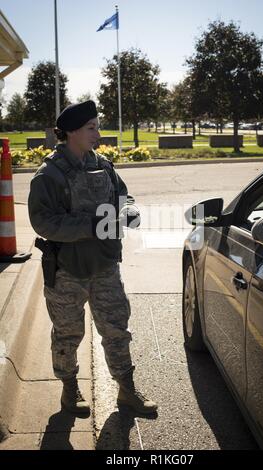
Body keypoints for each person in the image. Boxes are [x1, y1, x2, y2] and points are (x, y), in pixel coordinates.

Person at [28, 100, 157, 416]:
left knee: (116, 328)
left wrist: (129, 211)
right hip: (66, 272)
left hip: (105, 266)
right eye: (92, 128)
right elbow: (42, 221)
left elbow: (124, 198)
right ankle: (70, 392)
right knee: (67, 334)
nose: (98, 133)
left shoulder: (104, 166)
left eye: (97, 126)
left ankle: (127, 391)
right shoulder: (49, 174)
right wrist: (92, 225)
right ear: (71, 132)